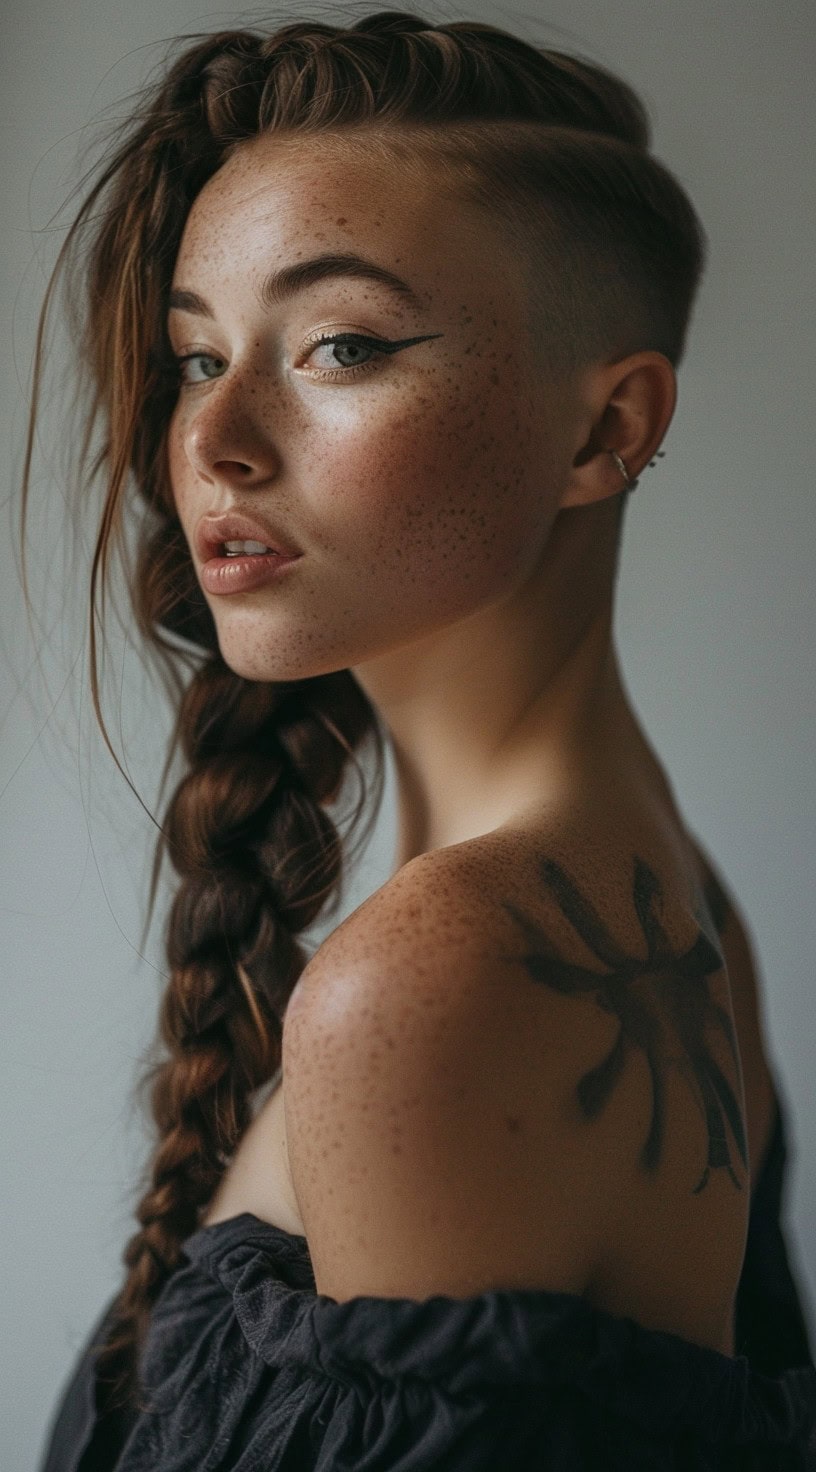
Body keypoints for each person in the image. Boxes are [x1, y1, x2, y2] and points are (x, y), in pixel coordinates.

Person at [26, 7, 815, 1469]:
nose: (216, 443)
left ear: (607, 431)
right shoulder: (659, 893)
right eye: (199, 358)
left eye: (340, 345)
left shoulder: (444, 980)